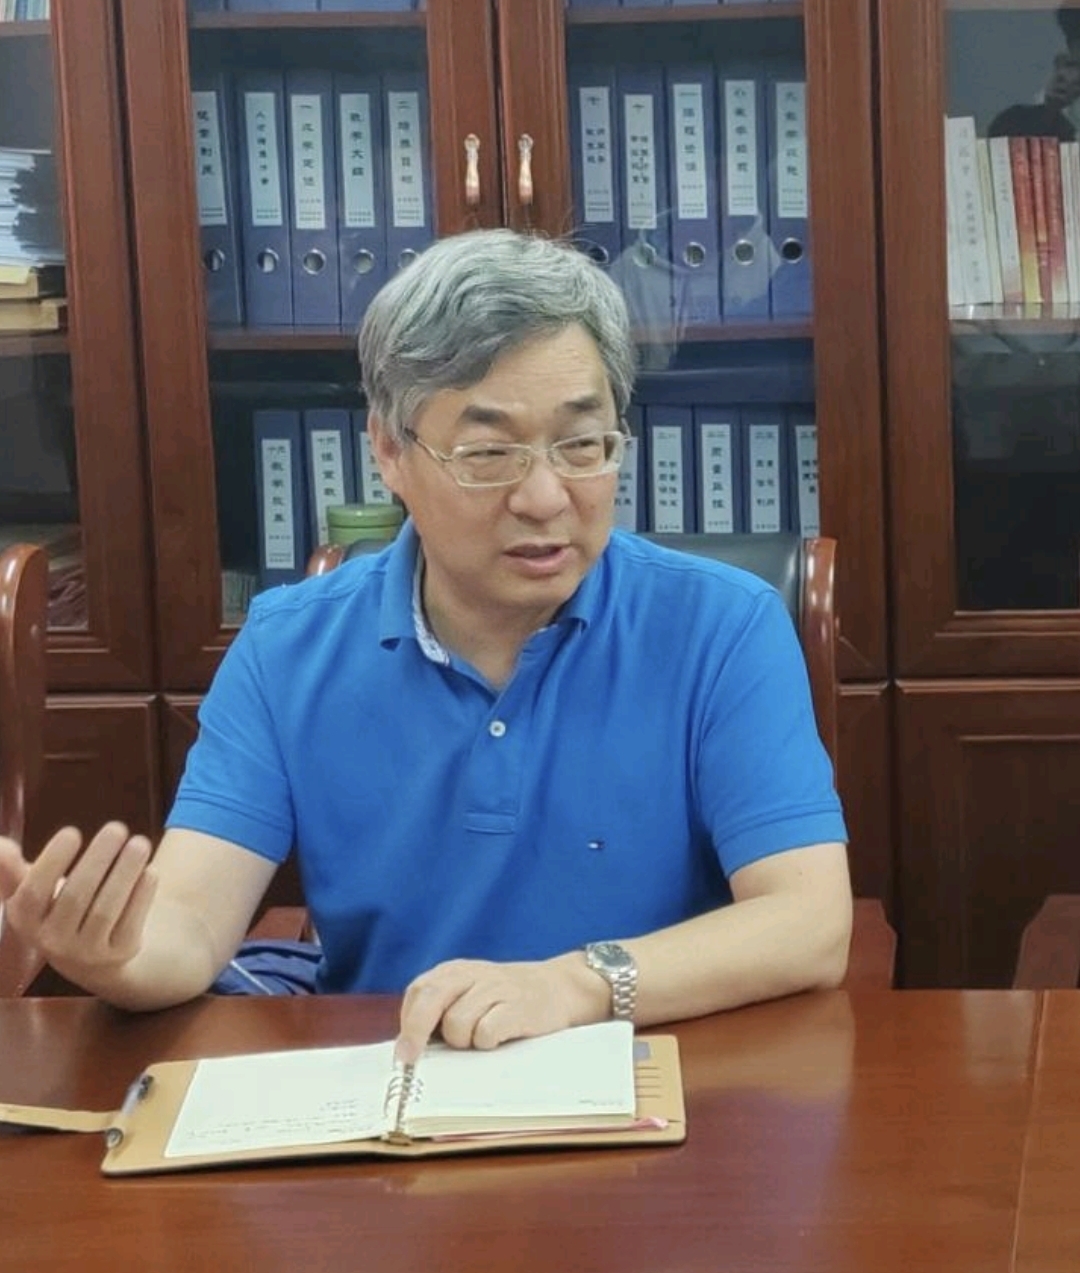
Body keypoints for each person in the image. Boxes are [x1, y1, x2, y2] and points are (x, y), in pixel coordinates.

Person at [0, 229, 851, 1062]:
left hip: (658, 1087)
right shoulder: (287, 648)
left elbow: (809, 921)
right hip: (389, 1091)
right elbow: (187, 925)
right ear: (389, 451)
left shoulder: (723, 626)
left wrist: (574, 984)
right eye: (489, 453)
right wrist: (114, 953)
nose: (546, 496)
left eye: (581, 444)